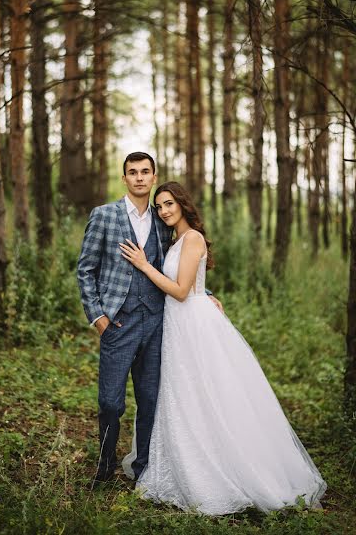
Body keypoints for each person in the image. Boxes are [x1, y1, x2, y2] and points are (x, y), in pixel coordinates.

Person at [119, 181, 327, 515]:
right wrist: (208, 292)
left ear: (184, 204)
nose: (164, 211)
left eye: (169, 203)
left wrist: (144, 266)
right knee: (183, 395)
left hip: (192, 324)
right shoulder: (177, 240)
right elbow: (192, 283)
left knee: (207, 394)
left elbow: (183, 290)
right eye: (159, 206)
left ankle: (224, 472)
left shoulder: (193, 238)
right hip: (179, 324)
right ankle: (182, 463)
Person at [77, 153, 221, 487]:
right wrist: (98, 317)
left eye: (145, 172)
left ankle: (144, 467)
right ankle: (104, 466)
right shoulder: (104, 216)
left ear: (153, 177)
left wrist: (206, 293)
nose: (139, 177)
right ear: (124, 177)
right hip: (118, 324)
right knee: (110, 402)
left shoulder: (162, 220)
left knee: (150, 399)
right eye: (133, 172)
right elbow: (85, 269)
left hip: (157, 323)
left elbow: (177, 266)